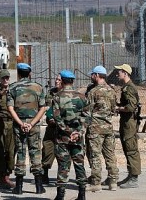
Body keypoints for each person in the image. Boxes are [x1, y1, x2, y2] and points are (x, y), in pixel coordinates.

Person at [7, 63, 46, 195]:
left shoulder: (12, 87)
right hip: (33, 125)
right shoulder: (38, 87)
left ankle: (18, 187)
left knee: (21, 153)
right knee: (35, 153)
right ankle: (39, 187)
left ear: (18, 73)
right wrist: (32, 123)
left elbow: (10, 108)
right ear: (29, 73)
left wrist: (20, 123)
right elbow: (42, 108)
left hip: (19, 125)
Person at [53, 70, 88, 200]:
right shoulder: (82, 97)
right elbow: (87, 117)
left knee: (63, 165)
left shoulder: (57, 97)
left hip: (62, 137)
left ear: (62, 80)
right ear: (73, 81)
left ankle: (60, 195)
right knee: (79, 164)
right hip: (78, 138)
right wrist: (78, 132)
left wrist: (68, 131)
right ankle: (82, 195)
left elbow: (57, 118)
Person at [85, 66, 119, 192]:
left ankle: (96, 182)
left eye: (93, 74)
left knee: (95, 155)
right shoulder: (111, 90)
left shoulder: (93, 92)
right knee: (110, 155)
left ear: (97, 75)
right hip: (108, 127)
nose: (91, 76)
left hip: (95, 128)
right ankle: (113, 181)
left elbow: (87, 111)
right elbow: (114, 108)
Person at [114, 64, 141, 188]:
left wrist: (118, 108)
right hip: (126, 122)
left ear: (125, 73)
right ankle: (131, 175)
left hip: (129, 122)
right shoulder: (126, 87)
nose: (117, 73)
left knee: (131, 149)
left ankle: (134, 178)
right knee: (127, 148)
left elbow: (130, 107)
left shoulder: (129, 88)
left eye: (119, 71)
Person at [41, 74, 62, 184]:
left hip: (62, 129)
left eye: (59, 79)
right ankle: (44, 174)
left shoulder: (68, 94)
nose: (56, 81)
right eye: (56, 79)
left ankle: (61, 178)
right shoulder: (50, 93)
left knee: (62, 154)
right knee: (47, 149)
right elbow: (46, 107)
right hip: (51, 127)